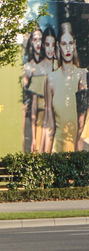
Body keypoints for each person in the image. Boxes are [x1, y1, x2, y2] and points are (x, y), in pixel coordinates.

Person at [41, 22, 88, 153]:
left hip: (78, 150)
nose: (67, 48)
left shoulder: (82, 76)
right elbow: (49, 123)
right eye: (63, 44)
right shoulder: (51, 79)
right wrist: (45, 156)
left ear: (75, 44)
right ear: (58, 46)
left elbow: (82, 122)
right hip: (57, 149)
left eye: (70, 43)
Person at [26, 26, 57, 152]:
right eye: (47, 44)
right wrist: (33, 137)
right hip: (40, 122)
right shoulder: (37, 70)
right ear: (44, 45)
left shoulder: (60, 67)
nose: (50, 48)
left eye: (53, 45)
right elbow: (33, 107)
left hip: (58, 120)